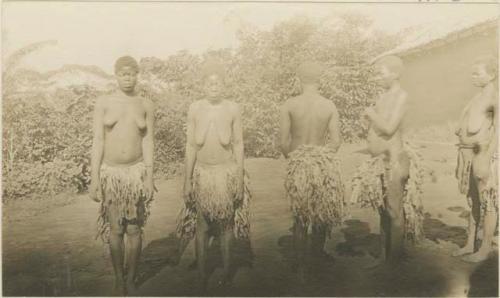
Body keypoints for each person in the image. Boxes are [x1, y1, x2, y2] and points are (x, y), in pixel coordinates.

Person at [176, 61, 251, 291]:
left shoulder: (232, 108)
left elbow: (238, 144)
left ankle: (227, 274)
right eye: (210, 82)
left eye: (218, 82)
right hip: (202, 174)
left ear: (224, 85)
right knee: (202, 225)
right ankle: (201, 274)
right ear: (203, 85)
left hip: (225, 172)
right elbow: (190, 146)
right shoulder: (195, 108)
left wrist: (239, 178)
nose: (214, 86)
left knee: (226, 224)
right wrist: (187, 180)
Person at [89, 56, 155, 295]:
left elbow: (148, 141)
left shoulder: (145, 104)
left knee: (134, 228)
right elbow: (98, 140)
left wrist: (149, 176)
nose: (128, 78)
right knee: (116, 228)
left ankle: (131, 278)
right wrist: (95, 178)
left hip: (136, 172)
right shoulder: (104, 102)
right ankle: (119, 277)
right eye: (123, 74)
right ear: (115, 75)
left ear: (137, 75)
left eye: (132, 74)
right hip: (112, 174)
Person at [351, 55, 424, 265]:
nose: (376, 78)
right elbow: (377, 126)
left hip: (394, 160)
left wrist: (371, 114)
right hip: (379, 162)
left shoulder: (402, 96)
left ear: (395, 73)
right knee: (383, 210)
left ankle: (395, 259)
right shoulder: (382, 96)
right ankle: (384, 256)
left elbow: (389, 128)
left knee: (394, 210)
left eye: (380, 73)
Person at [280, 61, 345, 282]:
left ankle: (300, 266)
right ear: (319, 80)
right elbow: (335, 142)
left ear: (299, 79)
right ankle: (316, 258)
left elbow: (282, 141)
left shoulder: (289, 104)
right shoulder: (329, 105)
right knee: (319, 213)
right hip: (321, 163)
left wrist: (295, 159)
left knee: (300, 216)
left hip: (298, 163)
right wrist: (319, 159)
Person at [454, 54, 498, 263]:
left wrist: (485, 158)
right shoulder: (477, 97)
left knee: (487, 201)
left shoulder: (495, 98)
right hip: (468, 153)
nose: (472, 76)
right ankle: (470, 243)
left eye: (477, 73)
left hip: (483, 155)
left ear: (491, 75)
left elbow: (498, 132)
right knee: (472, 199)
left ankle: (485, 248)